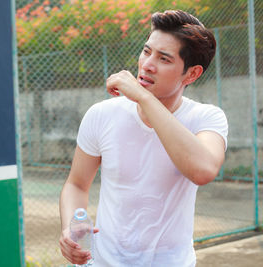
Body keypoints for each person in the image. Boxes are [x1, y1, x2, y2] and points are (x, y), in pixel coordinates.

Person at [59, 10, 228, 267]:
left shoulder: (206, 118)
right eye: (147, 51)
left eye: (164, 59)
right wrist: (70, 230)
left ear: (191, 74)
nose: (147, 64)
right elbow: (77, 184)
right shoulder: (102, 114)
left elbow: (203, 170)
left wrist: (144, 97)